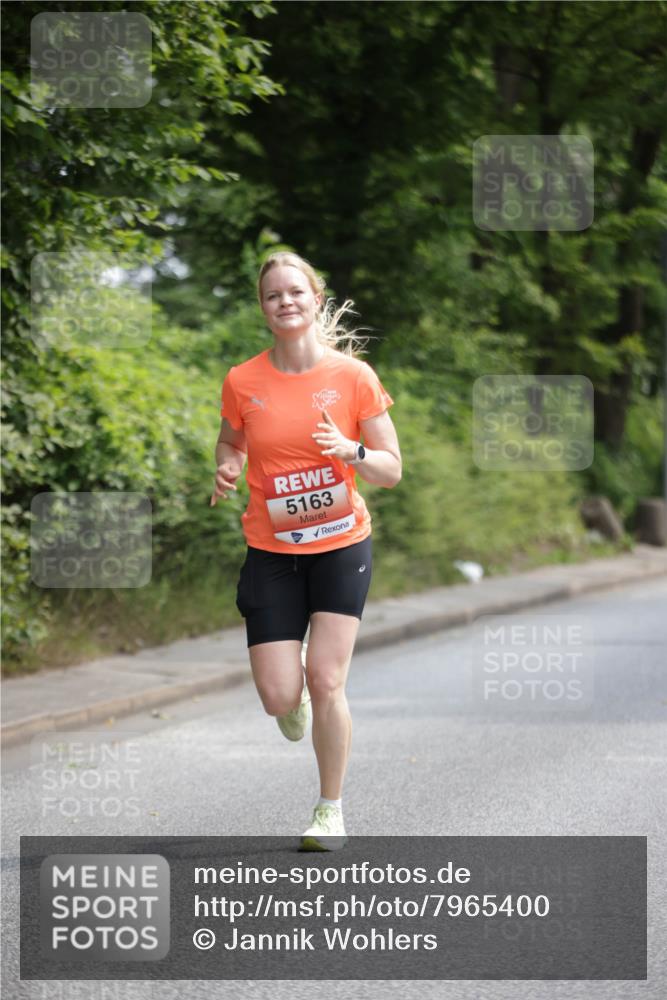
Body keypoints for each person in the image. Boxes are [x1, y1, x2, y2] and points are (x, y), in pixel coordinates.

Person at [210, 251, 401, 851]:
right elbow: (230, 440)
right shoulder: (244, 380)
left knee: (326, 679)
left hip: (342, 544)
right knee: (280, 695)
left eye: (295, 291)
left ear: (316, 298)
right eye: (273, 295)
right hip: (271, 548)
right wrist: (227, 466)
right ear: (263, 309)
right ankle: (288, 705)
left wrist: (350, 451)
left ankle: (330, 811)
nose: (285, 301)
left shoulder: (353, 377)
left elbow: (391, 469)